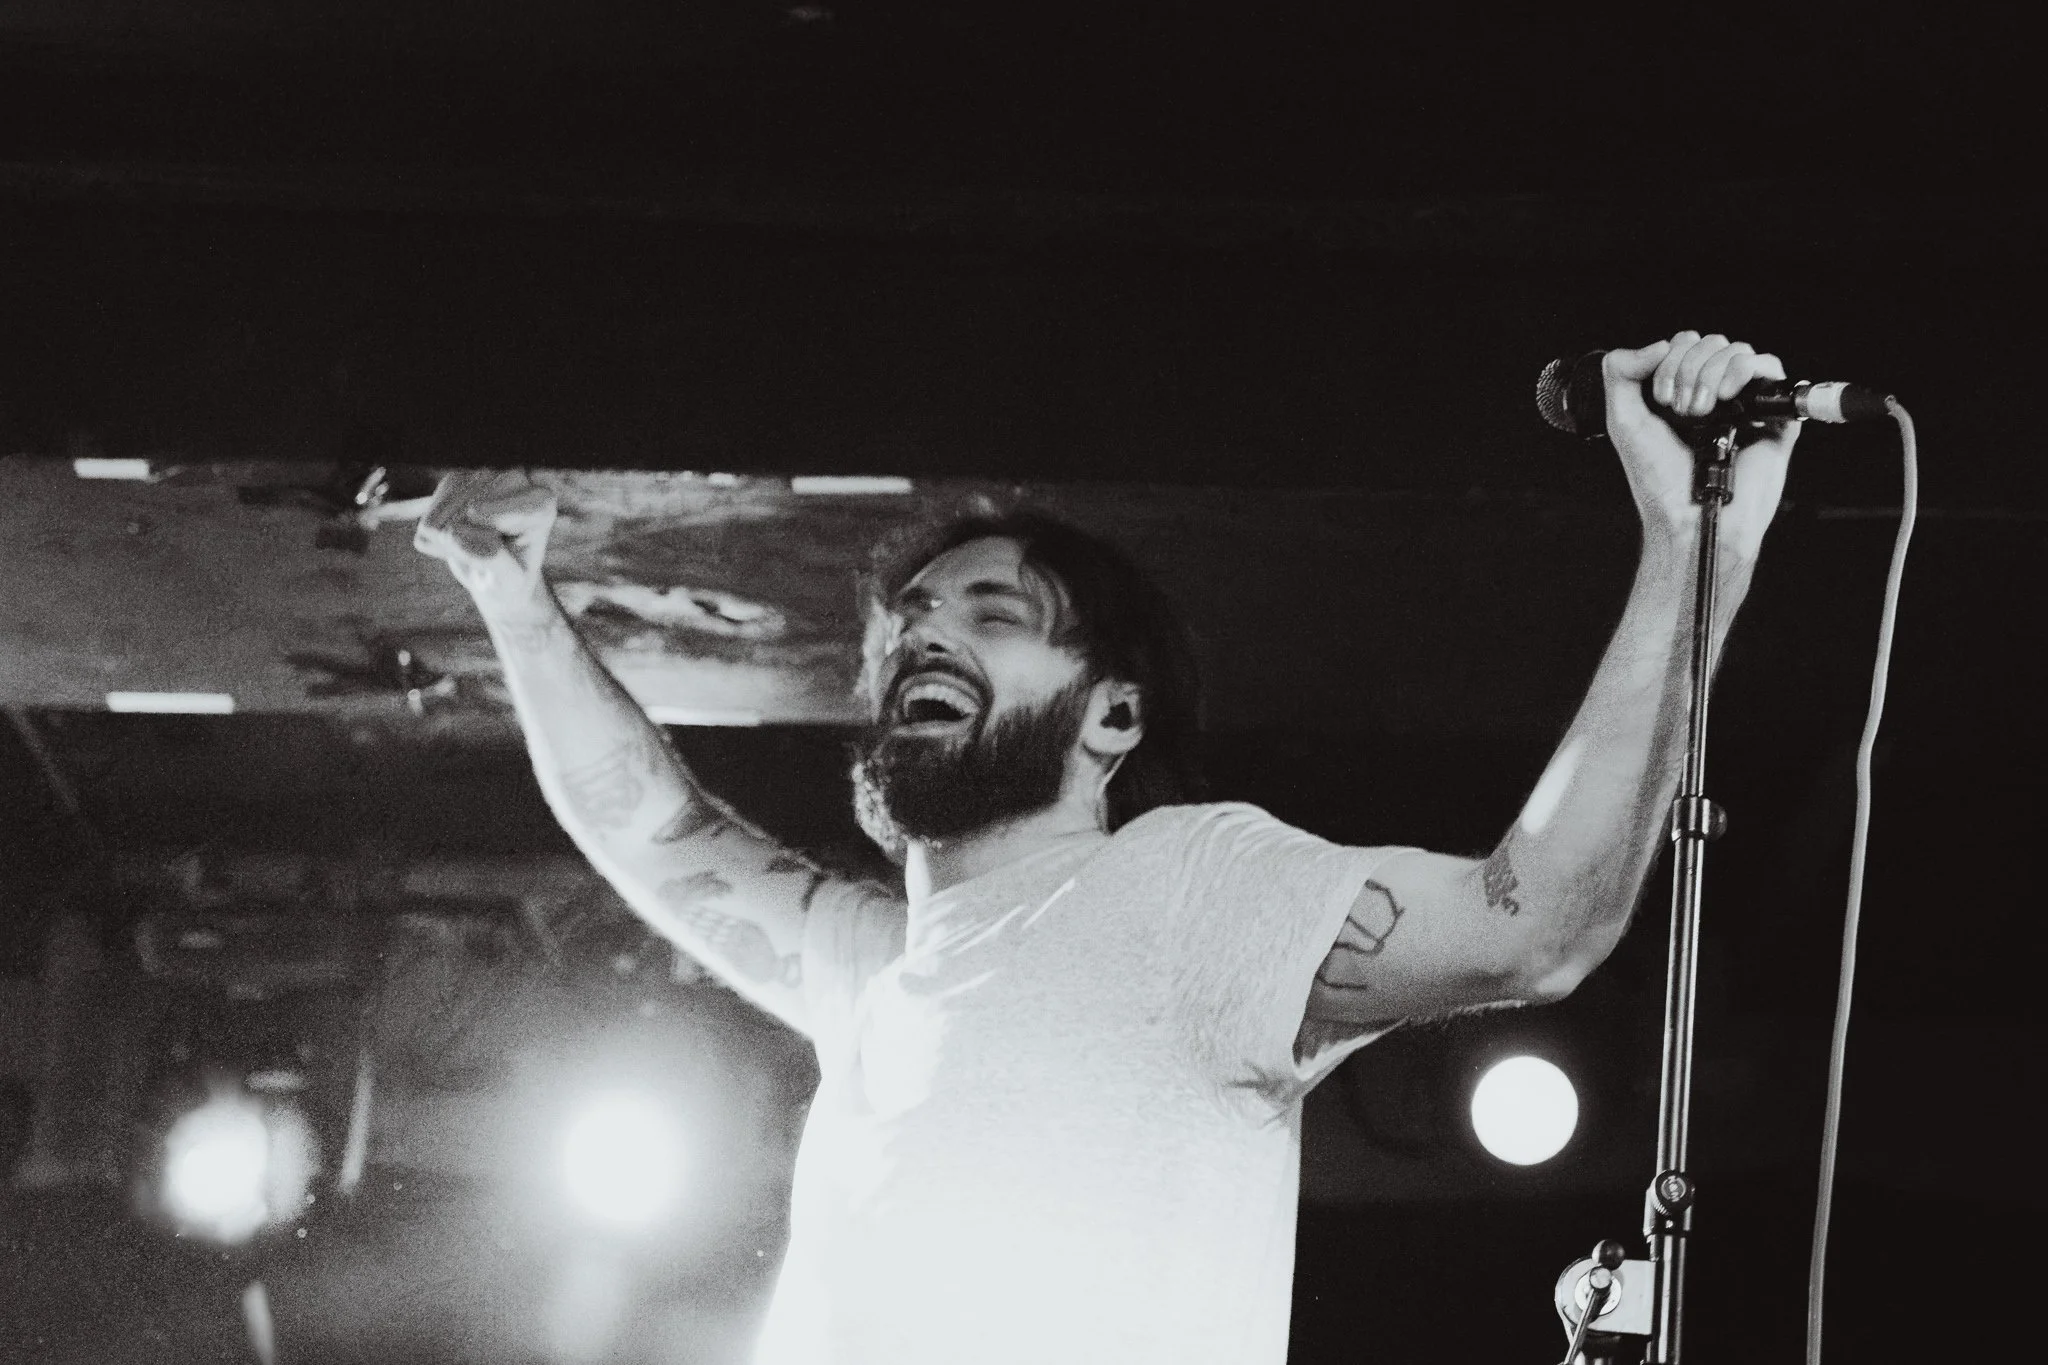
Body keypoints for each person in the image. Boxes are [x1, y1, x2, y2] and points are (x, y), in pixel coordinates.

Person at [415, 330, 1799, 1365]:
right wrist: (513, 598)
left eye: (993, 616)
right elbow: (658, 828)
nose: (925, 637)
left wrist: (1697, 551)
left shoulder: (1187, 885)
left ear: (1113, 715)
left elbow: (1531, 922)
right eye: (909, 623)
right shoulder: (876, 972)